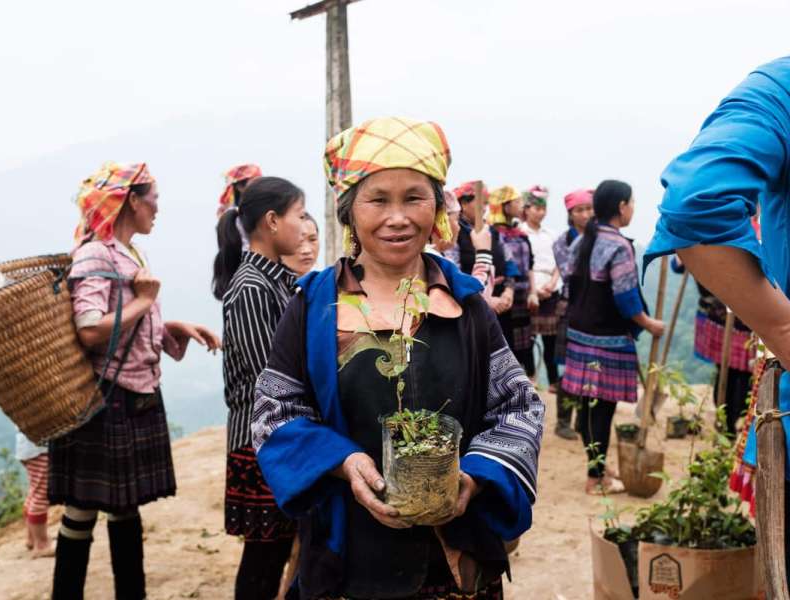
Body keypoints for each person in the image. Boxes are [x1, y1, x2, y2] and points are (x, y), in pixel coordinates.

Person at [252, 116, 543, 599]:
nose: (398, 217)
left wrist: (474, 475)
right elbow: (273, 411)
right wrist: (343, 461)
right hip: (349, 558)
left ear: (437, 207)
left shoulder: (467, 305)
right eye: (377, 199)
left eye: (414, 197)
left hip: (456, 563)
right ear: (349, 211)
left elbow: (519, 406)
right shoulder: (313, 308)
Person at [641, 56, 790, 579]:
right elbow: (697, 203)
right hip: (736, 321)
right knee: (724, 385)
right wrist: (779, 325)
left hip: (750, 325)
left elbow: (695, 201)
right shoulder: (781, 91)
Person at [50, 162, 221, 600]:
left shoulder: (128, 253)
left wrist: (170, 328)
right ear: (131, 200)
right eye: (154, 199)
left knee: (123, 506)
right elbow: (90, 329)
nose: (158, 209)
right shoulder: (95, 253)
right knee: (83, 508)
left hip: (131, 393)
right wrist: (146, 300)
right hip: (107, 397)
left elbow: (128, 324)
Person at [212, 176, 307, 600]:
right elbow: (268, 374)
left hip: (281, 438)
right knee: (264, 559)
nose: (305, 228)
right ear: (272, 221)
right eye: (299, 215)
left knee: (279, 549)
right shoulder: (252, 286)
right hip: (264, 441)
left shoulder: (278, 279)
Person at [562, 180, 664, 495]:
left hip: (579, 334)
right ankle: (596, 479)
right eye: (632, 203)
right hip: (606, 339)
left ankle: (599, 465)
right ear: (621, 207)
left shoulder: (582, 241)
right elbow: (625, 296)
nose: (633, 208)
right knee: (602, 410)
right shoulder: (619, 246)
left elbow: (569, 285)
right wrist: (648, 324)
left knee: (588, 408)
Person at [671, 255, 754, 435]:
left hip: (741, 316)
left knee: (738, 375)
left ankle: (729, 421)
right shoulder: (704, 237)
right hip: (726, 316)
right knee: (733, 374)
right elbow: (677, 265)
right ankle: (728, 423)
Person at [552, 189, 594, 441]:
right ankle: (563, 421)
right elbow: (570, 271)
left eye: (590, 209)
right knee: (569, 367)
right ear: (570, 214)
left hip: (595, 311)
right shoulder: (562, 242)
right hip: (571, 307)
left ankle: (583, 420)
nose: (586, 214)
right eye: (580, 210)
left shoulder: (601, 237)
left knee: (591, 366)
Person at [487, 185, 539, 376]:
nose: (521, 205)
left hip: (522, 295)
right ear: (504, 206)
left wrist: (533, 291)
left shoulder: (521, 233)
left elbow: (530, 264)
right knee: (506, 340)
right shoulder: (491, 233)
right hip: (503, 295)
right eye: (517, 201)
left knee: (525, 342)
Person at [521, 186, 561, 391]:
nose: (540, 212)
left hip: (550, 288)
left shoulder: (551, 235)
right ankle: (530, 377)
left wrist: (552, 284)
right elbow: (523, 263)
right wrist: (533, 290)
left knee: (551, 339)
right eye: (536, 208)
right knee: (526, 338)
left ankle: (554, 381)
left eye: (543, 208)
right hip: (528, 290)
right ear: (526, 209)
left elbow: (560, 262)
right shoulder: (519, 232)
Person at [454, 181, 516, 316]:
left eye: (486, 203)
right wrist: (486, 299)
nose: (484, 208)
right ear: (463, 204)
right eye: (480, 203)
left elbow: (509, 262)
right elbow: (454, 275)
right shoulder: (455, 233)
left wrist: (509, 291)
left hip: (501, 304)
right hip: (470, 307)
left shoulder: (492, 231)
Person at [428, 189, 495, 298]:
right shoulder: (436, 264)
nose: (458, 227)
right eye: (456, 219)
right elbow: (475, 298)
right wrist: (483, 252)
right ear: (442, 222)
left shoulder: (434, 258)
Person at [16, 431, 53, 557]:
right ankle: (41, 544)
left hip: (28, 447)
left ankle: (32, 538)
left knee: (34, 492)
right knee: (41, 496)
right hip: (39, 448)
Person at [282, 212, 321, 277]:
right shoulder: (264, 284)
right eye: (298, 241)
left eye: (312, 239)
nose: (306, 250)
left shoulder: (326, 284)